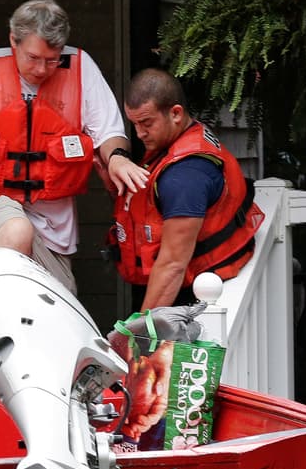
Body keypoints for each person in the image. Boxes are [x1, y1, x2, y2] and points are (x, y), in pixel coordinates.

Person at [0, 0, 148, 293]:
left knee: (59, 301)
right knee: (16, 229)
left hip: (54, 225)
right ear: (14, 41)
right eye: (33, 58)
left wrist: (117, 158)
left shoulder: (80, 67)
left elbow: (108, 132)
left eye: (51, 60)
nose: (41, 69)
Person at [109, 68, 264, 311]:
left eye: (146, 123)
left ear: (176, 114)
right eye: (134, 124)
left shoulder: (184, 177)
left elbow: (173, 265)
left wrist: (141, 331)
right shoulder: (185, 139)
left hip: (199, 300)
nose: (139, 134)